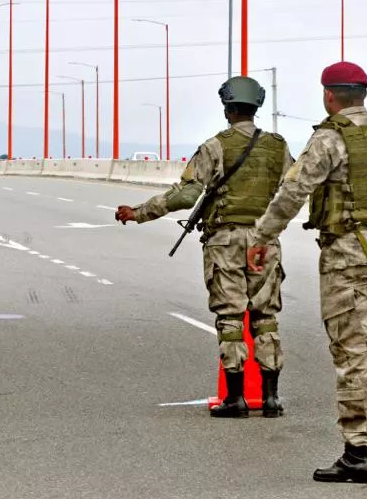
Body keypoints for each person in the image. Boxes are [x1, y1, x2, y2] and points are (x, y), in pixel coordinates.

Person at [246, 61, 367, 483]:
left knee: (352, 352)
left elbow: (293, 190)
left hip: (349, 256)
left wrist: (262, 236)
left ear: (330, 95)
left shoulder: (329, 138)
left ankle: (356, 452)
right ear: (362, 94)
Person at [116, 76, 293, 418]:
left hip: (225, 242)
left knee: (230, 317)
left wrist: (138, 213)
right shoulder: (278, 146)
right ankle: (271, 399)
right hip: (266, 242)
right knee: (266, 317)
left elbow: (185, 196)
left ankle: (236, 399)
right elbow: (293, 189)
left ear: (228, 109)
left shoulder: (214, 147)